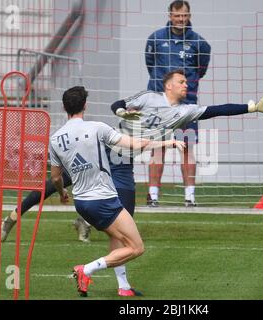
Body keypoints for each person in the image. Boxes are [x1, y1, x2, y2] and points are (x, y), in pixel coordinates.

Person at [0, 70, 263, 294]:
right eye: (181, 81)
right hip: (106, 150)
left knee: (122, 216)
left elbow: (217, 109)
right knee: (57, 183)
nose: (186, 85)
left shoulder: (184, 112)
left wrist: (253, 106)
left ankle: (121, 284)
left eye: (186, 82)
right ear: (168, 85)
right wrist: (123, 113)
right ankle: (13, 216)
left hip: (123, 162)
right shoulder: (148, 97)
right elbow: (117, 104)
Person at [49, 86, 184, 297]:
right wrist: (169, 141)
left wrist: (61, 193)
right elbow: (135, 143)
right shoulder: (97, 128)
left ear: (64, 107)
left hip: (82, 203)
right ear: (85, 105)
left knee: (119, 240)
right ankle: (86, 269)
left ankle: (123, 287)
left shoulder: (55, 138)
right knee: (136, 247)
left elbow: (56, 177)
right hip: (103, 199)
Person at [145, 0, 211, 207]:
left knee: (187, 149)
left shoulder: (200, 44)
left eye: (184, 16)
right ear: (170, 15)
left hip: (187, 106)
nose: (181, 19)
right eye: (177, 15)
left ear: (189, 16)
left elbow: (201, 71)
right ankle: (153, 196)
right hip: (159, 106)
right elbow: (150, 64)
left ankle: (190, 197)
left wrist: (182, 91)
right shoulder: (155, 39)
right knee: (157, 148)